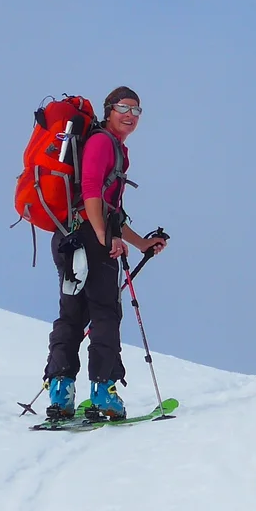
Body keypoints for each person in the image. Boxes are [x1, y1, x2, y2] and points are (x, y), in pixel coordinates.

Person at [43, 87, 167, 419]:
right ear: (108, 110)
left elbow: (113, 212)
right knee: (105, 313)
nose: (130, 115)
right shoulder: (101, 143)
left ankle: (61, 391)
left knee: (73, 313)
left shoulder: (113, 148)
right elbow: (91, 190)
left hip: (70, 236)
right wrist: (102, 237)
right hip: (87, 236)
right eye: (124, 108)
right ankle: (103, 392)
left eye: (136, 111)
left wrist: (141, 243)